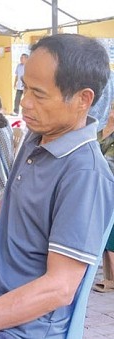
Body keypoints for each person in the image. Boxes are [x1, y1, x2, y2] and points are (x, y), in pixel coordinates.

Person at [0, 34, 114, 338]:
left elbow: (60, 288)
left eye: (39, 94)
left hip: (21, 328)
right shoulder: (37, 134)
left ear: (83, 99)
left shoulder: (85, 175)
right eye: (25, 88)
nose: (24, 102)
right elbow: (14, 193)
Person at [93, 101, 114, 293]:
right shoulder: (100, 131)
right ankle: (108, 276)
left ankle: (112, 277)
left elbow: (108, 162)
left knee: (111, 234)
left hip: (109, 184)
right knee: (104, 233)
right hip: (98, 185)